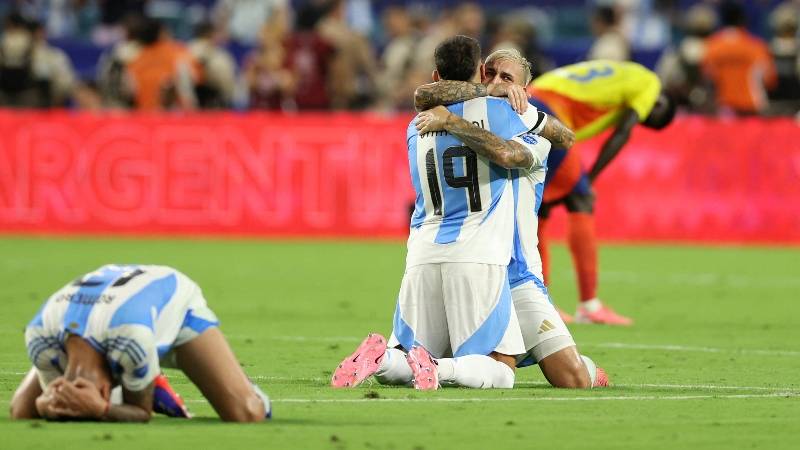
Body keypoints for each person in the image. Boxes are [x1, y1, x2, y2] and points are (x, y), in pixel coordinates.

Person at [333, 48, 608, 390]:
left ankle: (589, 370)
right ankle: (408, 363)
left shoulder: (526, 125)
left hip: (516, 273)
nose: (496, 83)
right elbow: (430, 94)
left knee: (573, 379)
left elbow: (559, 138)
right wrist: (480, 99)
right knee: (489, 366)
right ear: (479, 73)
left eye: (507, 79)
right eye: (490, 74)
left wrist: (455, 119)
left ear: (526, 88)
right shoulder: (486, 112)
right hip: (480, 264)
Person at [9, 264, 271, 422]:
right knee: (22, 409)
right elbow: (52, 401)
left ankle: (154, 378)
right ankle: (146, 378)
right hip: (111, 313)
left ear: (106, 389)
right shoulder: (39, 335)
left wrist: (101, 408)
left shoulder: (131, 339)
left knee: (246, 413)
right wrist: (47, 404)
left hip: (175, 308)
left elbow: (140, 413)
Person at [526, 60, 676, 325]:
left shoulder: (628, 72)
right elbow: (623, 133)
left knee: (540, 207)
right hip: (551, 110)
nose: (641, 118)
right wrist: (592, 177)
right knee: (580, 198)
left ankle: (540, 301)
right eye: (647, 117)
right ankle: (587, 305)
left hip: (534, 97)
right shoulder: (650, 85)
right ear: (659, 103)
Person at [702, 1, 776, 115]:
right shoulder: (756, 46)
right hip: (752, 107)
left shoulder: (711, 47)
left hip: (724, 109)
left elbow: (708, 78)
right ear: (742, 20)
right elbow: (769, 79)